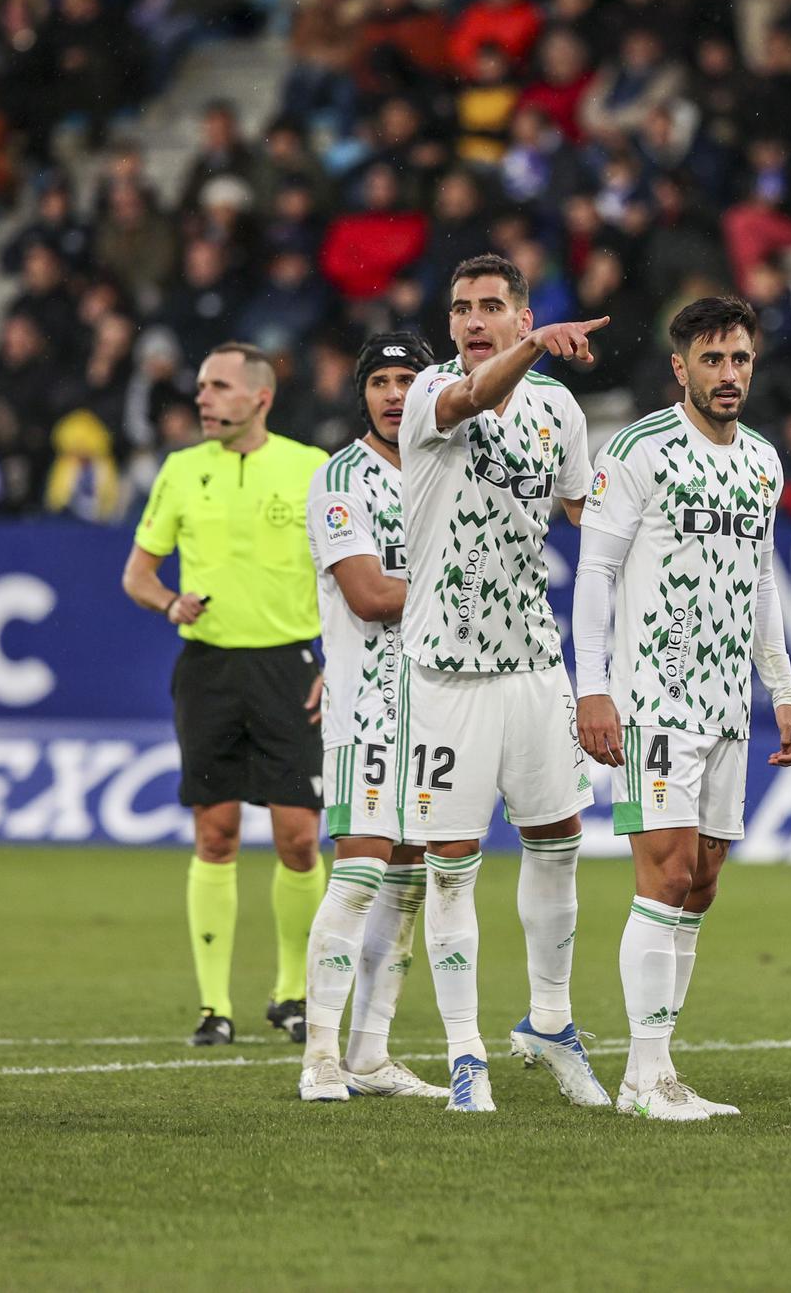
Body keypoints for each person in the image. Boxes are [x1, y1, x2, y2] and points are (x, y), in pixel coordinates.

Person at [573, 297, 791, 1122]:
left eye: (740, 359)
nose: (729, 374)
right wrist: (591, 686)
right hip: (652, 697)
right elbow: (594, 574)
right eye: (712, 360)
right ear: (681, 368)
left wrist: (781, 690)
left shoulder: (763, 462)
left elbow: (763, 581)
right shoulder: (639, 450)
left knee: (702, 884)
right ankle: (641, 1077)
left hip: (726, 704)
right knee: (666, 871)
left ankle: (663, 1068)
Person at [395, 254, 613, 1113]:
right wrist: (536, 352)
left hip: (533, 661)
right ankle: (463, 1054)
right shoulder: (427, 396)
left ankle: (552, 1022)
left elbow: (582, 516)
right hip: (446, 668)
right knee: (452, 866)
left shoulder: (560, 409)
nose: (475, 319)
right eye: (462, 308)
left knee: (558, 843)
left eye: (493, 306)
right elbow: (473, 398)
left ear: (521, 315)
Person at [120, 342, 330, 1047]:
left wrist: (342, 661)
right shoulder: (181, 470)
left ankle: (293, 993)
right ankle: (214, 1007)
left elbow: (347, 571)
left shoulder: (312, 469)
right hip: (208, 668)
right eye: (201, 385)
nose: (202, 398)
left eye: (218, 386)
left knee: (299, 836)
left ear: (260, 397)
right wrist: (169, 602)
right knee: (216, 833)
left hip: (289, 669)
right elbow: (138, 574)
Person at [296, 332, 446, 1104]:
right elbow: (367, 593)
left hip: (439, 709)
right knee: (359, 869)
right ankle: (319, 1052)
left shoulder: (443, 468)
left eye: (408, 380)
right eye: (381, 381)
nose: (394, 394)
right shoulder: (341, 478)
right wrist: (458, 583)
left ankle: (370, 1053)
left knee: (411, 878)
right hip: (368, 705)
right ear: (363, 393)